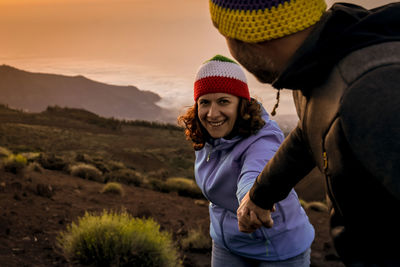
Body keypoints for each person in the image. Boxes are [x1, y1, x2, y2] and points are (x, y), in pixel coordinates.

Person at [208, 0, 400, 266]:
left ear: (244, 38)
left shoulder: (371, 96)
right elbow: (310, 129)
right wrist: (261, 195)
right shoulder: (322, 57)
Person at [178, 54, 314, 267]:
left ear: (241, 104)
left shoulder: (263, 139)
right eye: (204, 102)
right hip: (228, 243)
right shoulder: (207, 137)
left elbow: (255, 172)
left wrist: (251, 198)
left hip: (279, 249)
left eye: (223, 101)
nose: (212, 114)